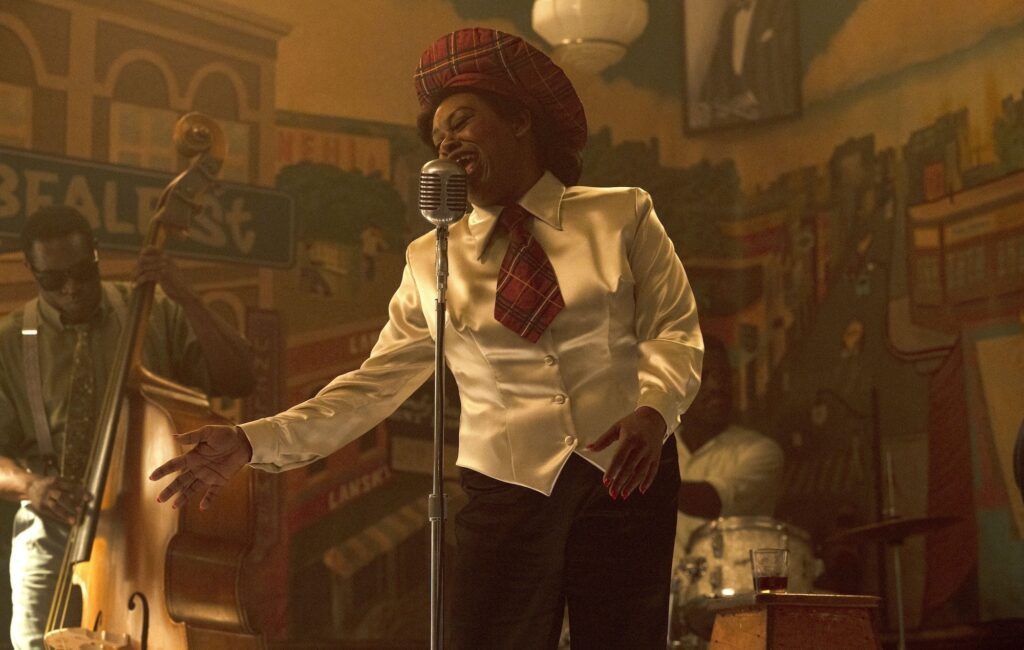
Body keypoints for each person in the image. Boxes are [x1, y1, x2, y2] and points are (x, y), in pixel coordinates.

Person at [150, 27, 703, 650]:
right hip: (506, 491)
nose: (447, 142)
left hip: (626, 475)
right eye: (438, 138)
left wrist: (655, 411)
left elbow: (674, 329)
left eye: (462, 122)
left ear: (520, 119)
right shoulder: (429, 258)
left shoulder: (623, 214)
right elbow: (370, 389)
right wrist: (254, 441)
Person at [0, 206, 255, 650]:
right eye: (53, 280)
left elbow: (238, 378)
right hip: (51, 526)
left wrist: (185, 296)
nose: (72, 288)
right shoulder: (9, 339)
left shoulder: (151, 311)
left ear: (97, 254)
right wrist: (32, 485)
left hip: (147, 523)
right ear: (31, 270)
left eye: (82, 272)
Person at [671, 336, 783, 643]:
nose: (716, 386)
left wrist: (640, 477)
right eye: (704, 376)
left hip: (735, 619)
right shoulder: (661, 448)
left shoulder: (760, 452)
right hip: (659, 613)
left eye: (724, 377)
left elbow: (711, 501)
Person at [693, 0, 799, 129]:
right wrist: (704, 100)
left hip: (768, 99)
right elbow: (718, 59)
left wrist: (753, 97)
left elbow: (788, 65)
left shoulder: (781, 8)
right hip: (734, 98)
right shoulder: (730, 14)